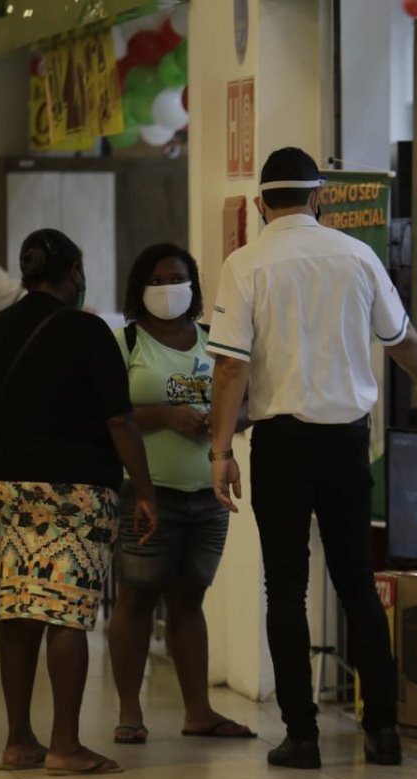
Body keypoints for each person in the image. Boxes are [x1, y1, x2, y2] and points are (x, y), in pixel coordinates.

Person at [206, 148, 417, 769]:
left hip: (282, 447)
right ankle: (383, 732)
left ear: (264, 202)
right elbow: (401, 338)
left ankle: (302, 736)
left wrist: (220, 451)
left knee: (286, 590)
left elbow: (231, 367)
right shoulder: (358, 255)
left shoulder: (245, 265)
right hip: (349, 441)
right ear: (317, 196)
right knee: (357, 587)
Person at [0, 228, 158, 776]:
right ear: (72, 273)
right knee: (67, 614)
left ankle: (19, 741)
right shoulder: (89, 333)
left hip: (9, 490)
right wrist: (144, 489)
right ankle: (65, 745)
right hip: (78, 490)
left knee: (21, 613)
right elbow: (121, 421)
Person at [107, 243, 256, 745]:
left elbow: (244, 404)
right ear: (139, 289)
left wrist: (224, 422)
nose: (170, 289)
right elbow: (106, 414)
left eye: (178, 279)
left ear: (194, 286)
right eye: (158, 280)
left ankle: (199, 711)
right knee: (135, 598)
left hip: (205, 492)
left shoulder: (214, 342)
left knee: (190, 600)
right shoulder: (124, 343)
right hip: (146, 491)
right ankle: (130, 711)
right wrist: (166, 416)